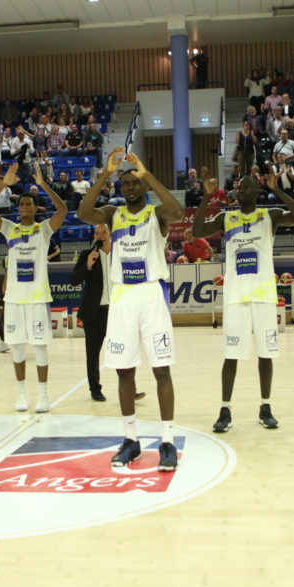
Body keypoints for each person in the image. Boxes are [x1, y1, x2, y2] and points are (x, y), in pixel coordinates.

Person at [78, 148, 186, 471]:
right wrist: (105, 174)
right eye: (125, 183)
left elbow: (178, 211)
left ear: (143, 185)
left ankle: (167, 441)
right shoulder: (113, 213)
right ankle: (131, 440)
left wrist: (147, 174)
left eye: (135, 182)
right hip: (122, 297)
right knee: (124, 371)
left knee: (161, 369)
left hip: (151, 293)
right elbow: (84, 213)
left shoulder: (156, 214)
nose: (130, 187)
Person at [192, 166, 294, 433]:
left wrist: (277, 190)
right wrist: (206, 198)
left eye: (246, 187)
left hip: (264, 297)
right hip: (235, 297)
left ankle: (266, 407)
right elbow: (197, 230)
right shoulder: (226, 218)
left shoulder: (269, 216)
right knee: (231, 355)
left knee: (266, 355)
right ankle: (225, 410)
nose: (240, 190)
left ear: (257, 191)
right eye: (238, 187)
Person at [0, 163, 69, 414]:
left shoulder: (43, 229)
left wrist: (44, 185)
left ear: (36, 208)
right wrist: (3, 184)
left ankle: (43, 395)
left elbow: (63, 210)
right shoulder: (9, 228)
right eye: (21, 204)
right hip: (14, 299)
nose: (24, 207)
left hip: (37, 298)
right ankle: (21, 394)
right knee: (17, 348)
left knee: (40, 347)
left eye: (28, 204)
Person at [72, 225, 113, 401]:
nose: (100, 235)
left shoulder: (118, 254)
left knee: (122, 350)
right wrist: (88, 265)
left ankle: (129, 387)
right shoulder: (87, 255)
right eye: (97, 233)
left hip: (116, 312)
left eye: (103, 232)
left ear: (110, 234)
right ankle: (95, 389)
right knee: (93, 354)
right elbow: (73, 280)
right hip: (94, 313)